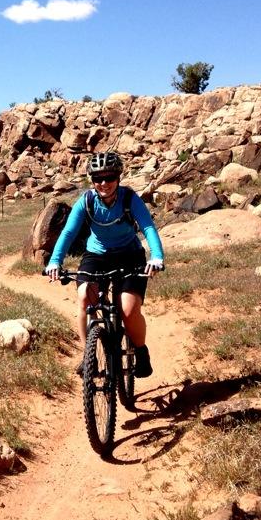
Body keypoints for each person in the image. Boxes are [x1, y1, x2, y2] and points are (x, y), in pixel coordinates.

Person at [44, 151, 165, 378]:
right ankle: (87, 356)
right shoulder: (87, 201)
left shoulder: (129, 198)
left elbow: (148, 227)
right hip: (97, 256)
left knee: (128, 309)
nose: (104, 183)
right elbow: (69, 232)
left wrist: (156, 257)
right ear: (92, 180)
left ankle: (141, 351)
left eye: (109, 177)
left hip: (130, 255)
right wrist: (54, 261)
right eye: (98, 178)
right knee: (84, 298)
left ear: (118, 177)